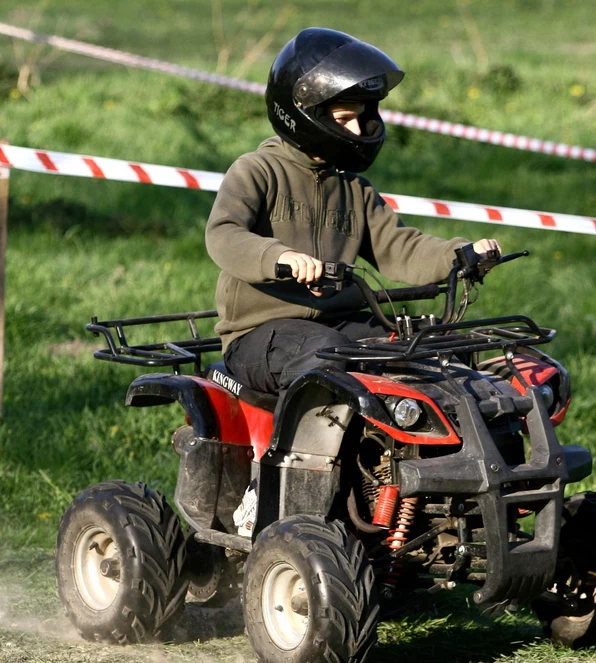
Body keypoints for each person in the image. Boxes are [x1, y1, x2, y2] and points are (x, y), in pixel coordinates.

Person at [205, 27, 500, 394]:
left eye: (362, 117)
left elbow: (400, 247)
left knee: (420, 347)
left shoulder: (353, 189)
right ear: (303, 113)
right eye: (345, 119)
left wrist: (458, 255)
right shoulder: (257, 171)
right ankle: (290, 452)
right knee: (322, 358)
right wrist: (280, 258)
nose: (359, 128)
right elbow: (224, 235)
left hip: (337, 323)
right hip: (259, 334)